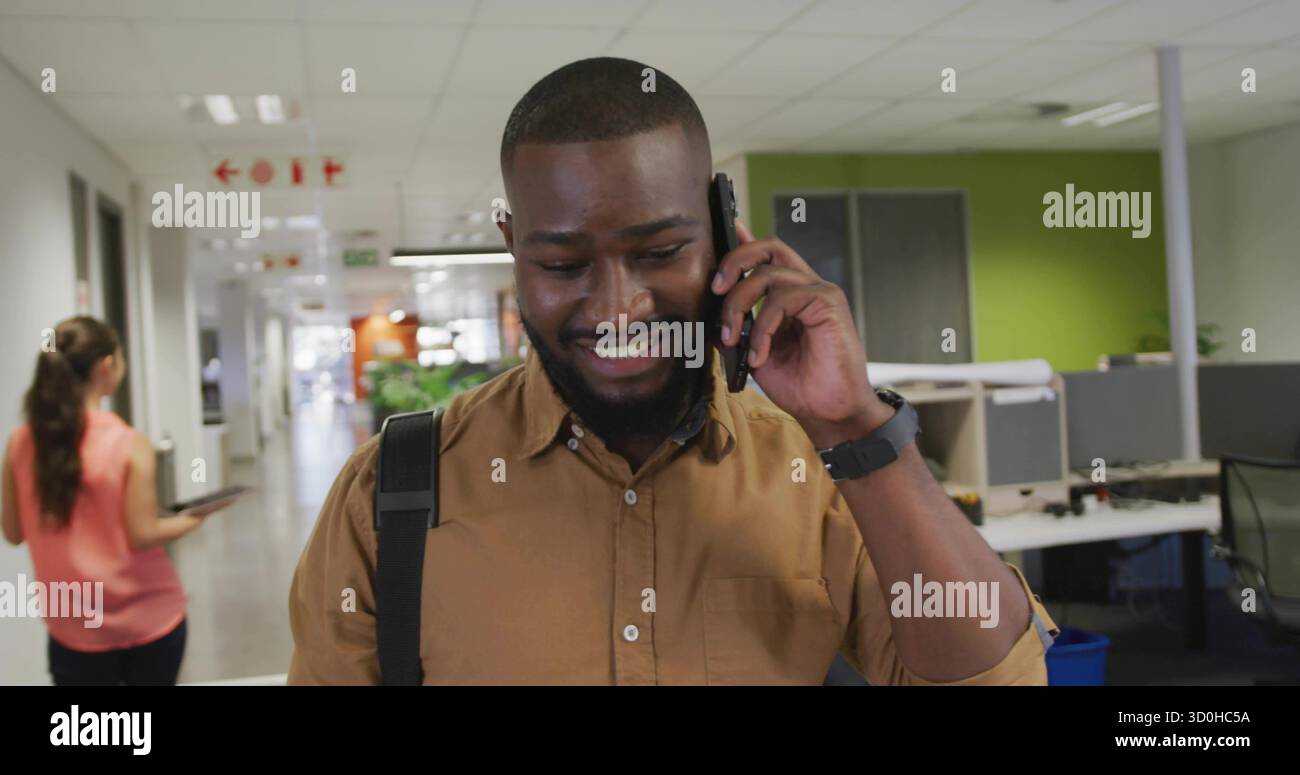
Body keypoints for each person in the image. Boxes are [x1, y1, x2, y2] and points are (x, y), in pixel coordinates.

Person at [288, 57, 1058, 685]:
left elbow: (999, 681)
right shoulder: (392, 490)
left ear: (725, 233)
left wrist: (855, 427)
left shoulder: (817, 471)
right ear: (511, 243)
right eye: (563, 263)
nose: (618, 306)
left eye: (660, 252)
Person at [2, 316, 216, 685]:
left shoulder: (21, 443)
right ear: (106, 367)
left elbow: (14, 531)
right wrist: (196, 517)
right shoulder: (127, 442)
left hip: (72, 626)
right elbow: (143, 533)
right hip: (146, 618)